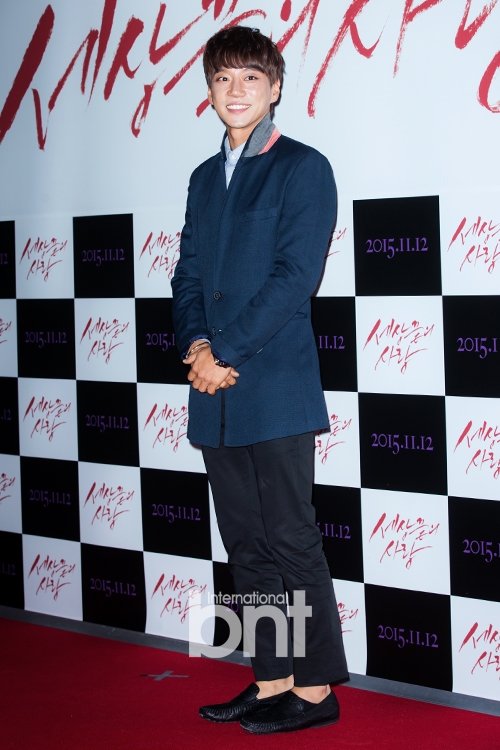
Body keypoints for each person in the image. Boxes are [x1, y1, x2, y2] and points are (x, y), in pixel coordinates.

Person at [171, 25, 348, 734]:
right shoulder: (201, 177)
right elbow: (186, 275)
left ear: (274, 88)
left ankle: (316, 692)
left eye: (250, 77)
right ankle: (271, 679)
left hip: (272, 387)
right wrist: (196, 345)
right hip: (215, 395)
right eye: (223, 78)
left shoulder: (303, 167)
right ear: (210, 92)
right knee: (244, 543)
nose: (236, 90)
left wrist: (224, 352)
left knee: (291, 539)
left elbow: (295, 278)